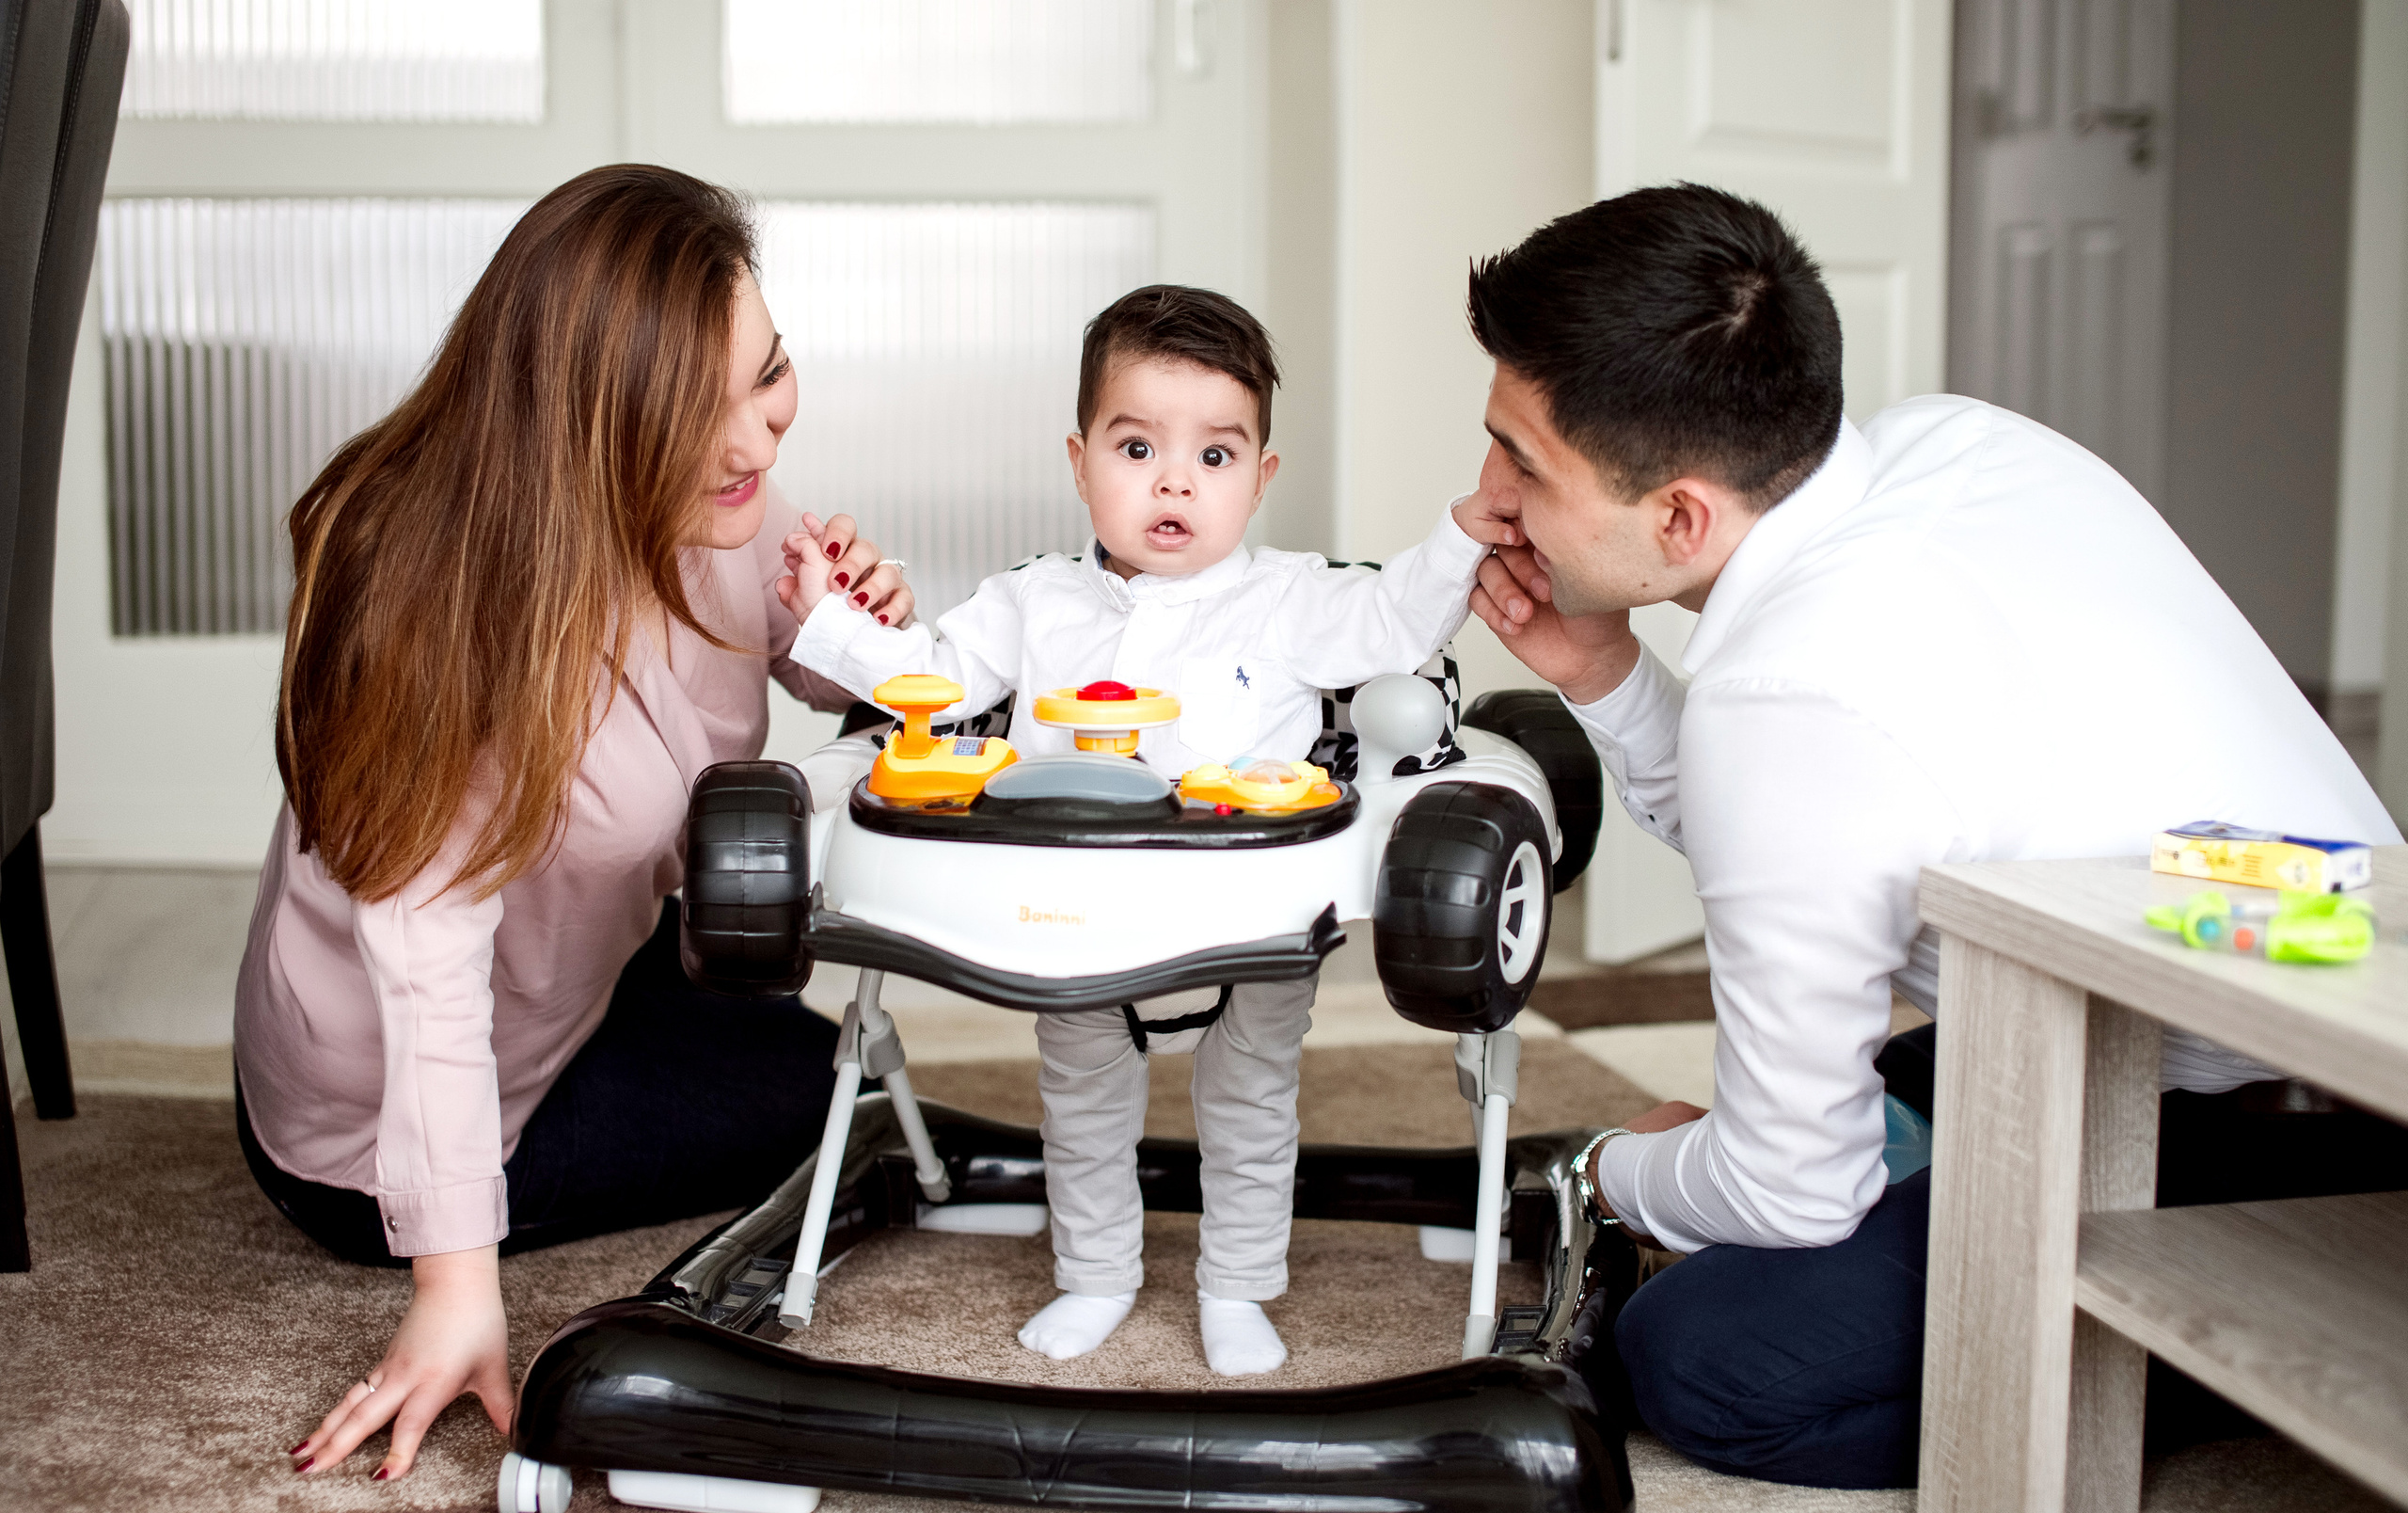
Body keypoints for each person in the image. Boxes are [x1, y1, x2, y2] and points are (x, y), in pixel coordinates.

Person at [1460, 183, 2408, 1488]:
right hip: (2301, 954)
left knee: (1699, 1359)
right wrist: (1607, 674)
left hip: (2278, 1105)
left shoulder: (1787, 699)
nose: (1482, 500)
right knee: (1833, 1108)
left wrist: (1613, 1170)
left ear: (1678, 516)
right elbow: (1807, 824)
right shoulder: (1956, 443)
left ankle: (2224, 1343)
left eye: (1522, 461)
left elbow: (1797, 1189)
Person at [237, 165, 914, 1482]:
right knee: (839, 1105)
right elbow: (431, 979)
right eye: (695, 413)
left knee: (836, 1075)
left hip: (577, 972)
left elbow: (799, 646)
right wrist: (453, 1285)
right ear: (580, 421)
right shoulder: (431, 613)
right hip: (377, 1104)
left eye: (767, 374)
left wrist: (855, 629)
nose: (756, 445)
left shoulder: (712, 497)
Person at [784, 284, 1513, 1375]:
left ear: (1262, 479)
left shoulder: (1292, 599)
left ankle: (1235, 1286)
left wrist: (1460, 535)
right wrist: (828, 622)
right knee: (1079, 1102)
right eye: (1136, 447)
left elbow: (1393, 620)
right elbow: (930, 679)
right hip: (1074, 916)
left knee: (1249, 1101)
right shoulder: (1031, 601)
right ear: (1080, 463)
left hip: (1246, 918)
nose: (1174, 480)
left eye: (1215, 458)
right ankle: (1096, 1274)